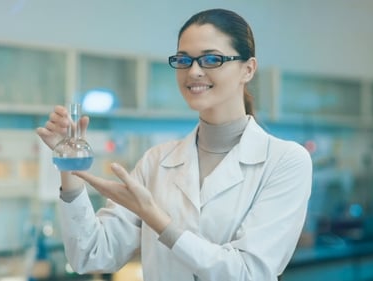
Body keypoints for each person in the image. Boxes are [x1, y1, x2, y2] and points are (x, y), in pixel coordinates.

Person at [37, 8, 312, 281]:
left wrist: (156, 218)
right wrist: (68, 164)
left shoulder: (285, 160)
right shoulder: (157, 161)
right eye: (183, 60)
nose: (193, 71)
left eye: (211, 59)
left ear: (248, 69)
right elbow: (91, 254)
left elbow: (247, 273)